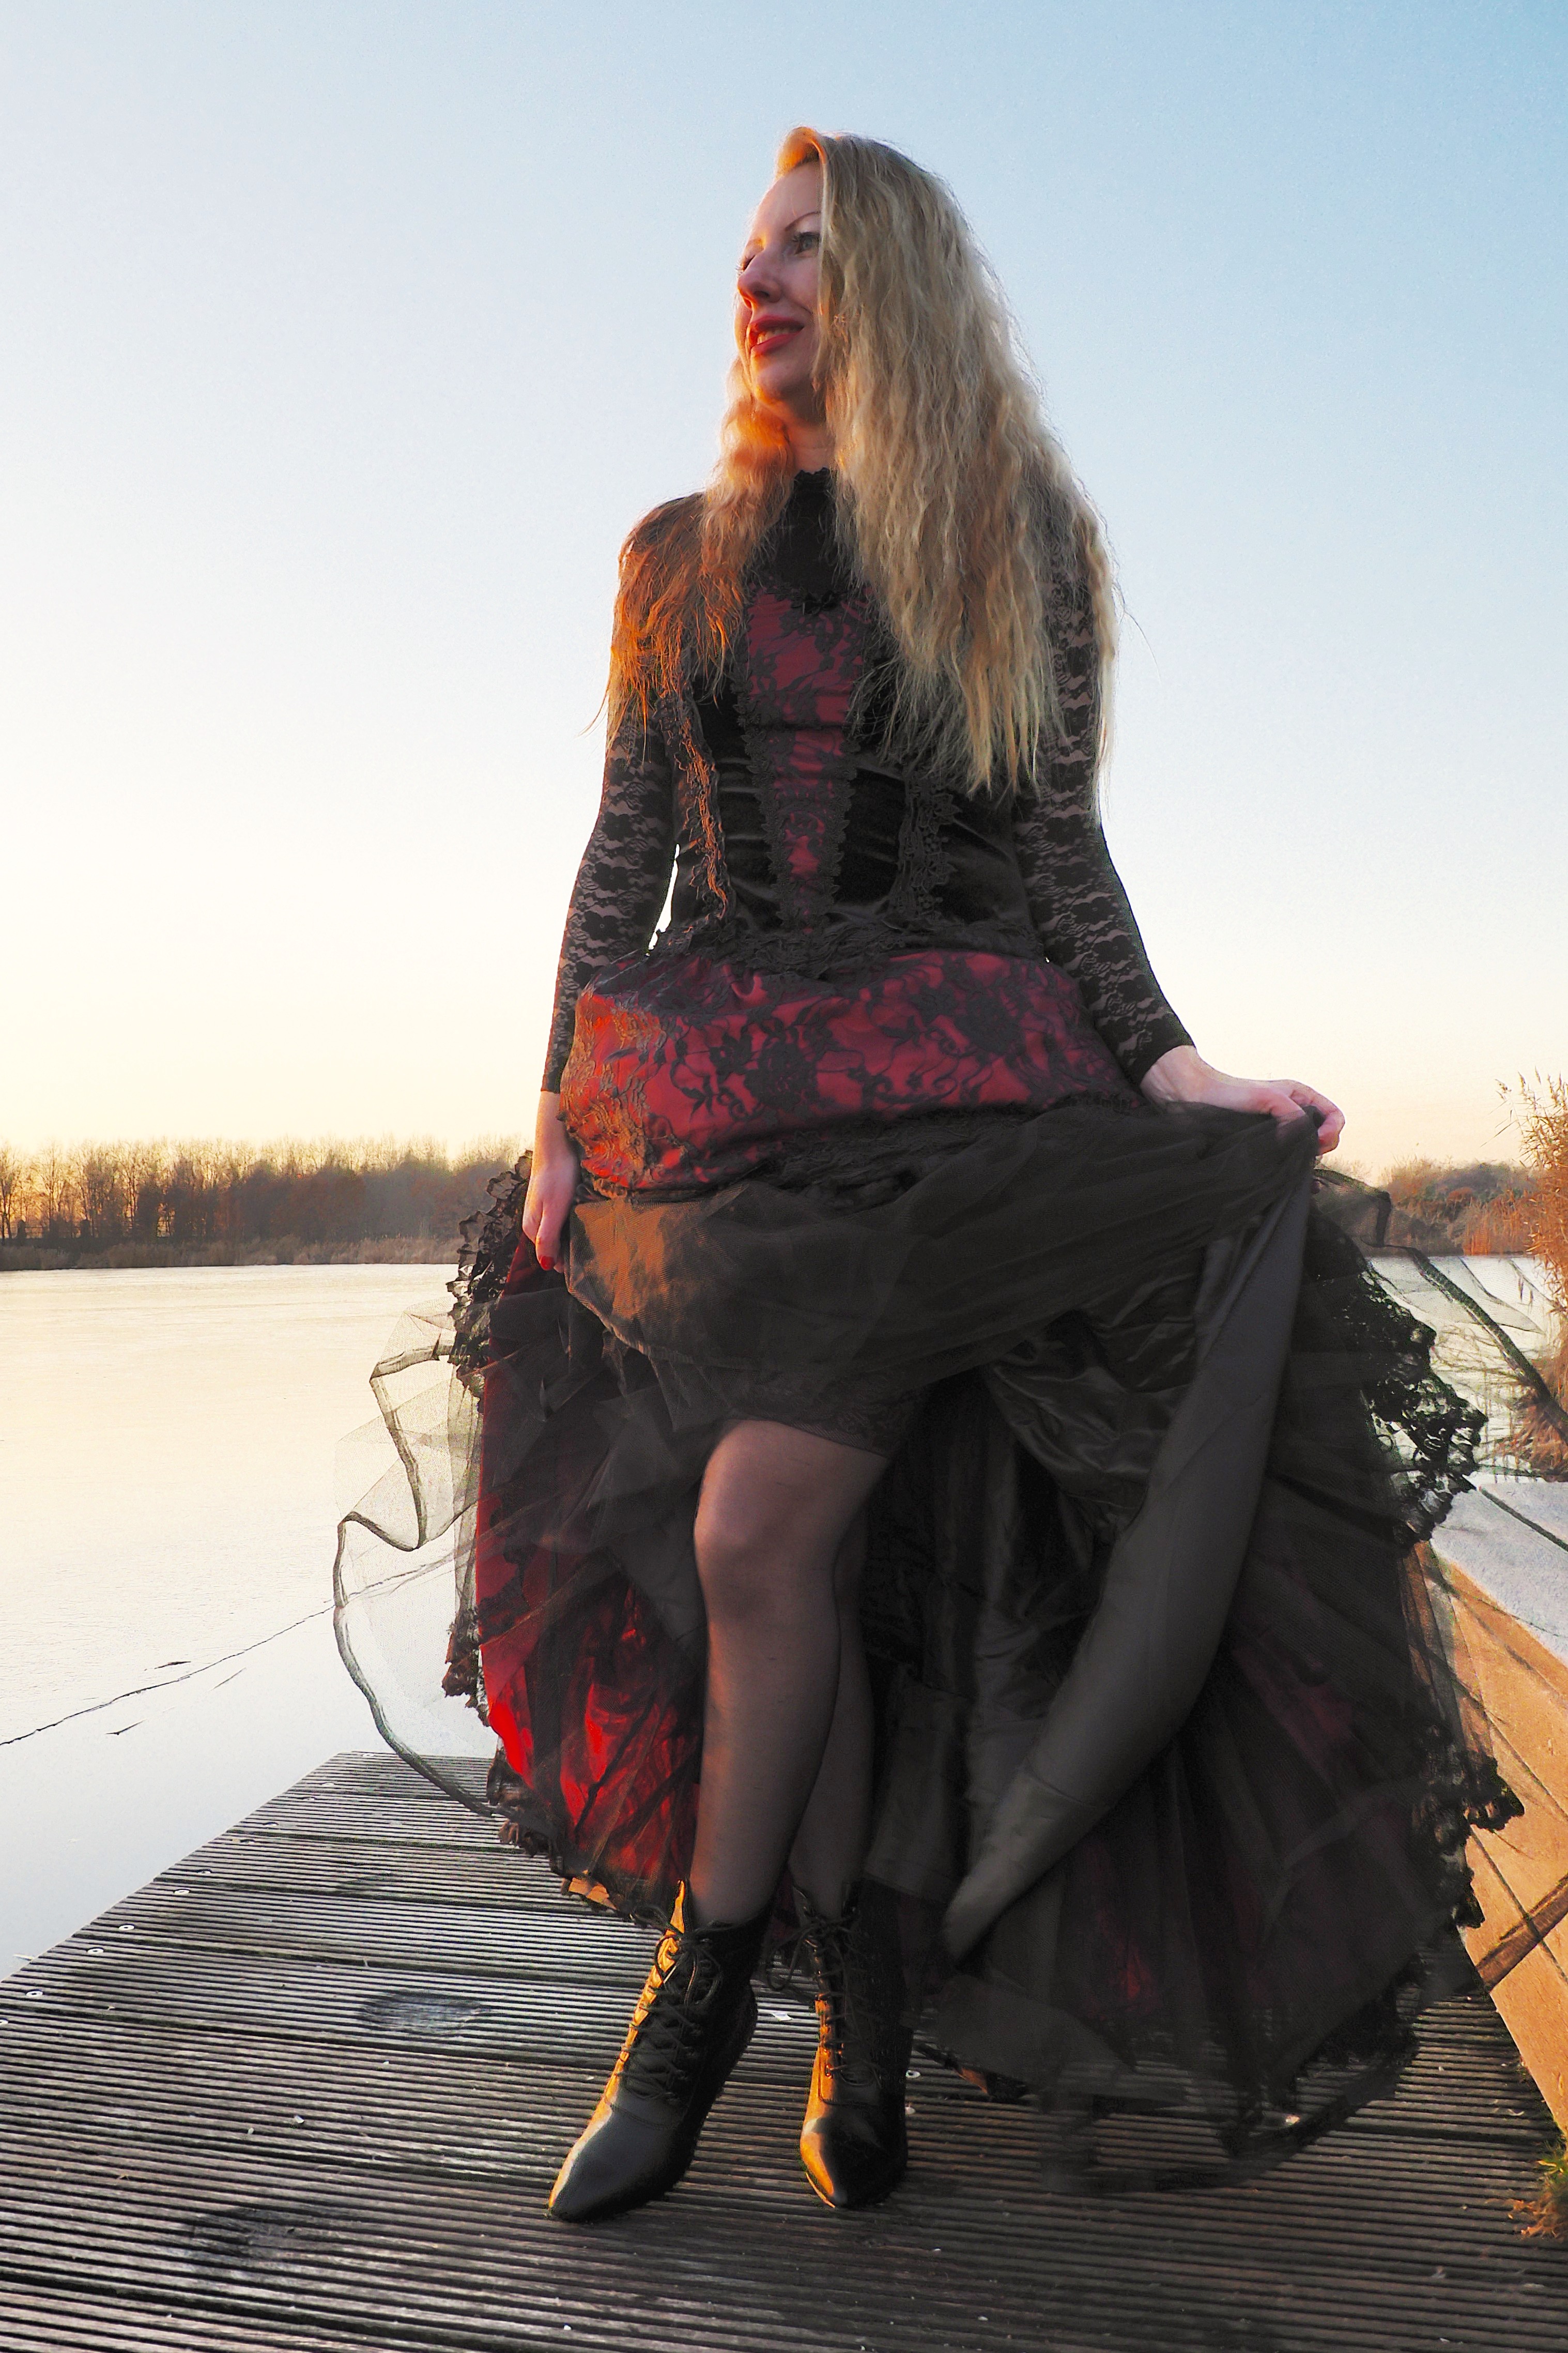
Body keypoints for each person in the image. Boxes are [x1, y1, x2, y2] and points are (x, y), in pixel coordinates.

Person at [337, 128, 1508, 2228]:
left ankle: (698, 2005)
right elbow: (629, 850)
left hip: (956, 1104)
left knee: (759, 1529)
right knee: (820, 1579)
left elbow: (1060, 849)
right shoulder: (672, 552)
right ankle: (862, 2023)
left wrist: (1175, 1065)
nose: (758, 279)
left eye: (804, 248)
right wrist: (554, 1105)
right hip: (713, 1121)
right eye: (751, 247)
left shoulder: (1011, 536)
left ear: (894, 288)